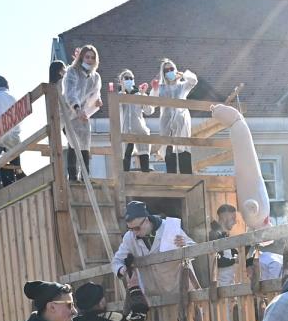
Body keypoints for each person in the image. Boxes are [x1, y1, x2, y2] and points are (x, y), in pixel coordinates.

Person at [111, 200, 195, 297]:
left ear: (146, 220)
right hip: (153, 296)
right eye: (130, 229)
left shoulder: (168, 228)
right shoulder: (129, 238)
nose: (134, 232)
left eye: (137, 228)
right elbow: (116, 261)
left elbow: (194, 249)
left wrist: (184, 245)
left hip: (179, 291)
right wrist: (122, 269)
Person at [62, 46, 102, 182]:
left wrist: (96, 102)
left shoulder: (95, 77)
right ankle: (72, 175)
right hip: (69, 111)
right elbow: (70, 92)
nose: (89, 60)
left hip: (84, 113)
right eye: (87, 57)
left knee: (85, 142)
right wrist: (76, 108)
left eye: (92, 57)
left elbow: (95, 94)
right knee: (73, 141)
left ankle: (85, 175)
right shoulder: (72, 71)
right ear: (81, 58)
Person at [155, 58, 198, 174]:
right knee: (169, 156)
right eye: (166, 70)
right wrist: (154, 89)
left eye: (171, 69)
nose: (169, 72)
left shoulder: (182, 86)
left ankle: (187, 181)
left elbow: (193, 81)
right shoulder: (161, 88)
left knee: (184, 153)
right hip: (167, 125)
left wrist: (183, 75)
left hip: (181, 124)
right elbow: (152, 103)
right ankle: (171, 181)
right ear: (163, 73)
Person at [117, 69, 154, 172]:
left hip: (139, 129)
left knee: (143, 153)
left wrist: (143, 96)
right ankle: (125, 175)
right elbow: (117, 108)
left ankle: (145, 173)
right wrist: (123, 91)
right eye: (126, 78)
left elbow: (149, 111)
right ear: (121, 81)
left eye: (131, 78)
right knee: (126, 154)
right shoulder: (118, 96)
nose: (129, 80)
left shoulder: (139, 94)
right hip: (125, 131)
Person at [210, 204, 240, 286]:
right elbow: (217, 261)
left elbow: (233, 252)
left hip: (229, 282)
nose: (235, 222)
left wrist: (235, 254)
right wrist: (234, 260)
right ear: (224, 217)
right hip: (220, 284)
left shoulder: (224, 235)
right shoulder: (214, 234)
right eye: (233, 218)